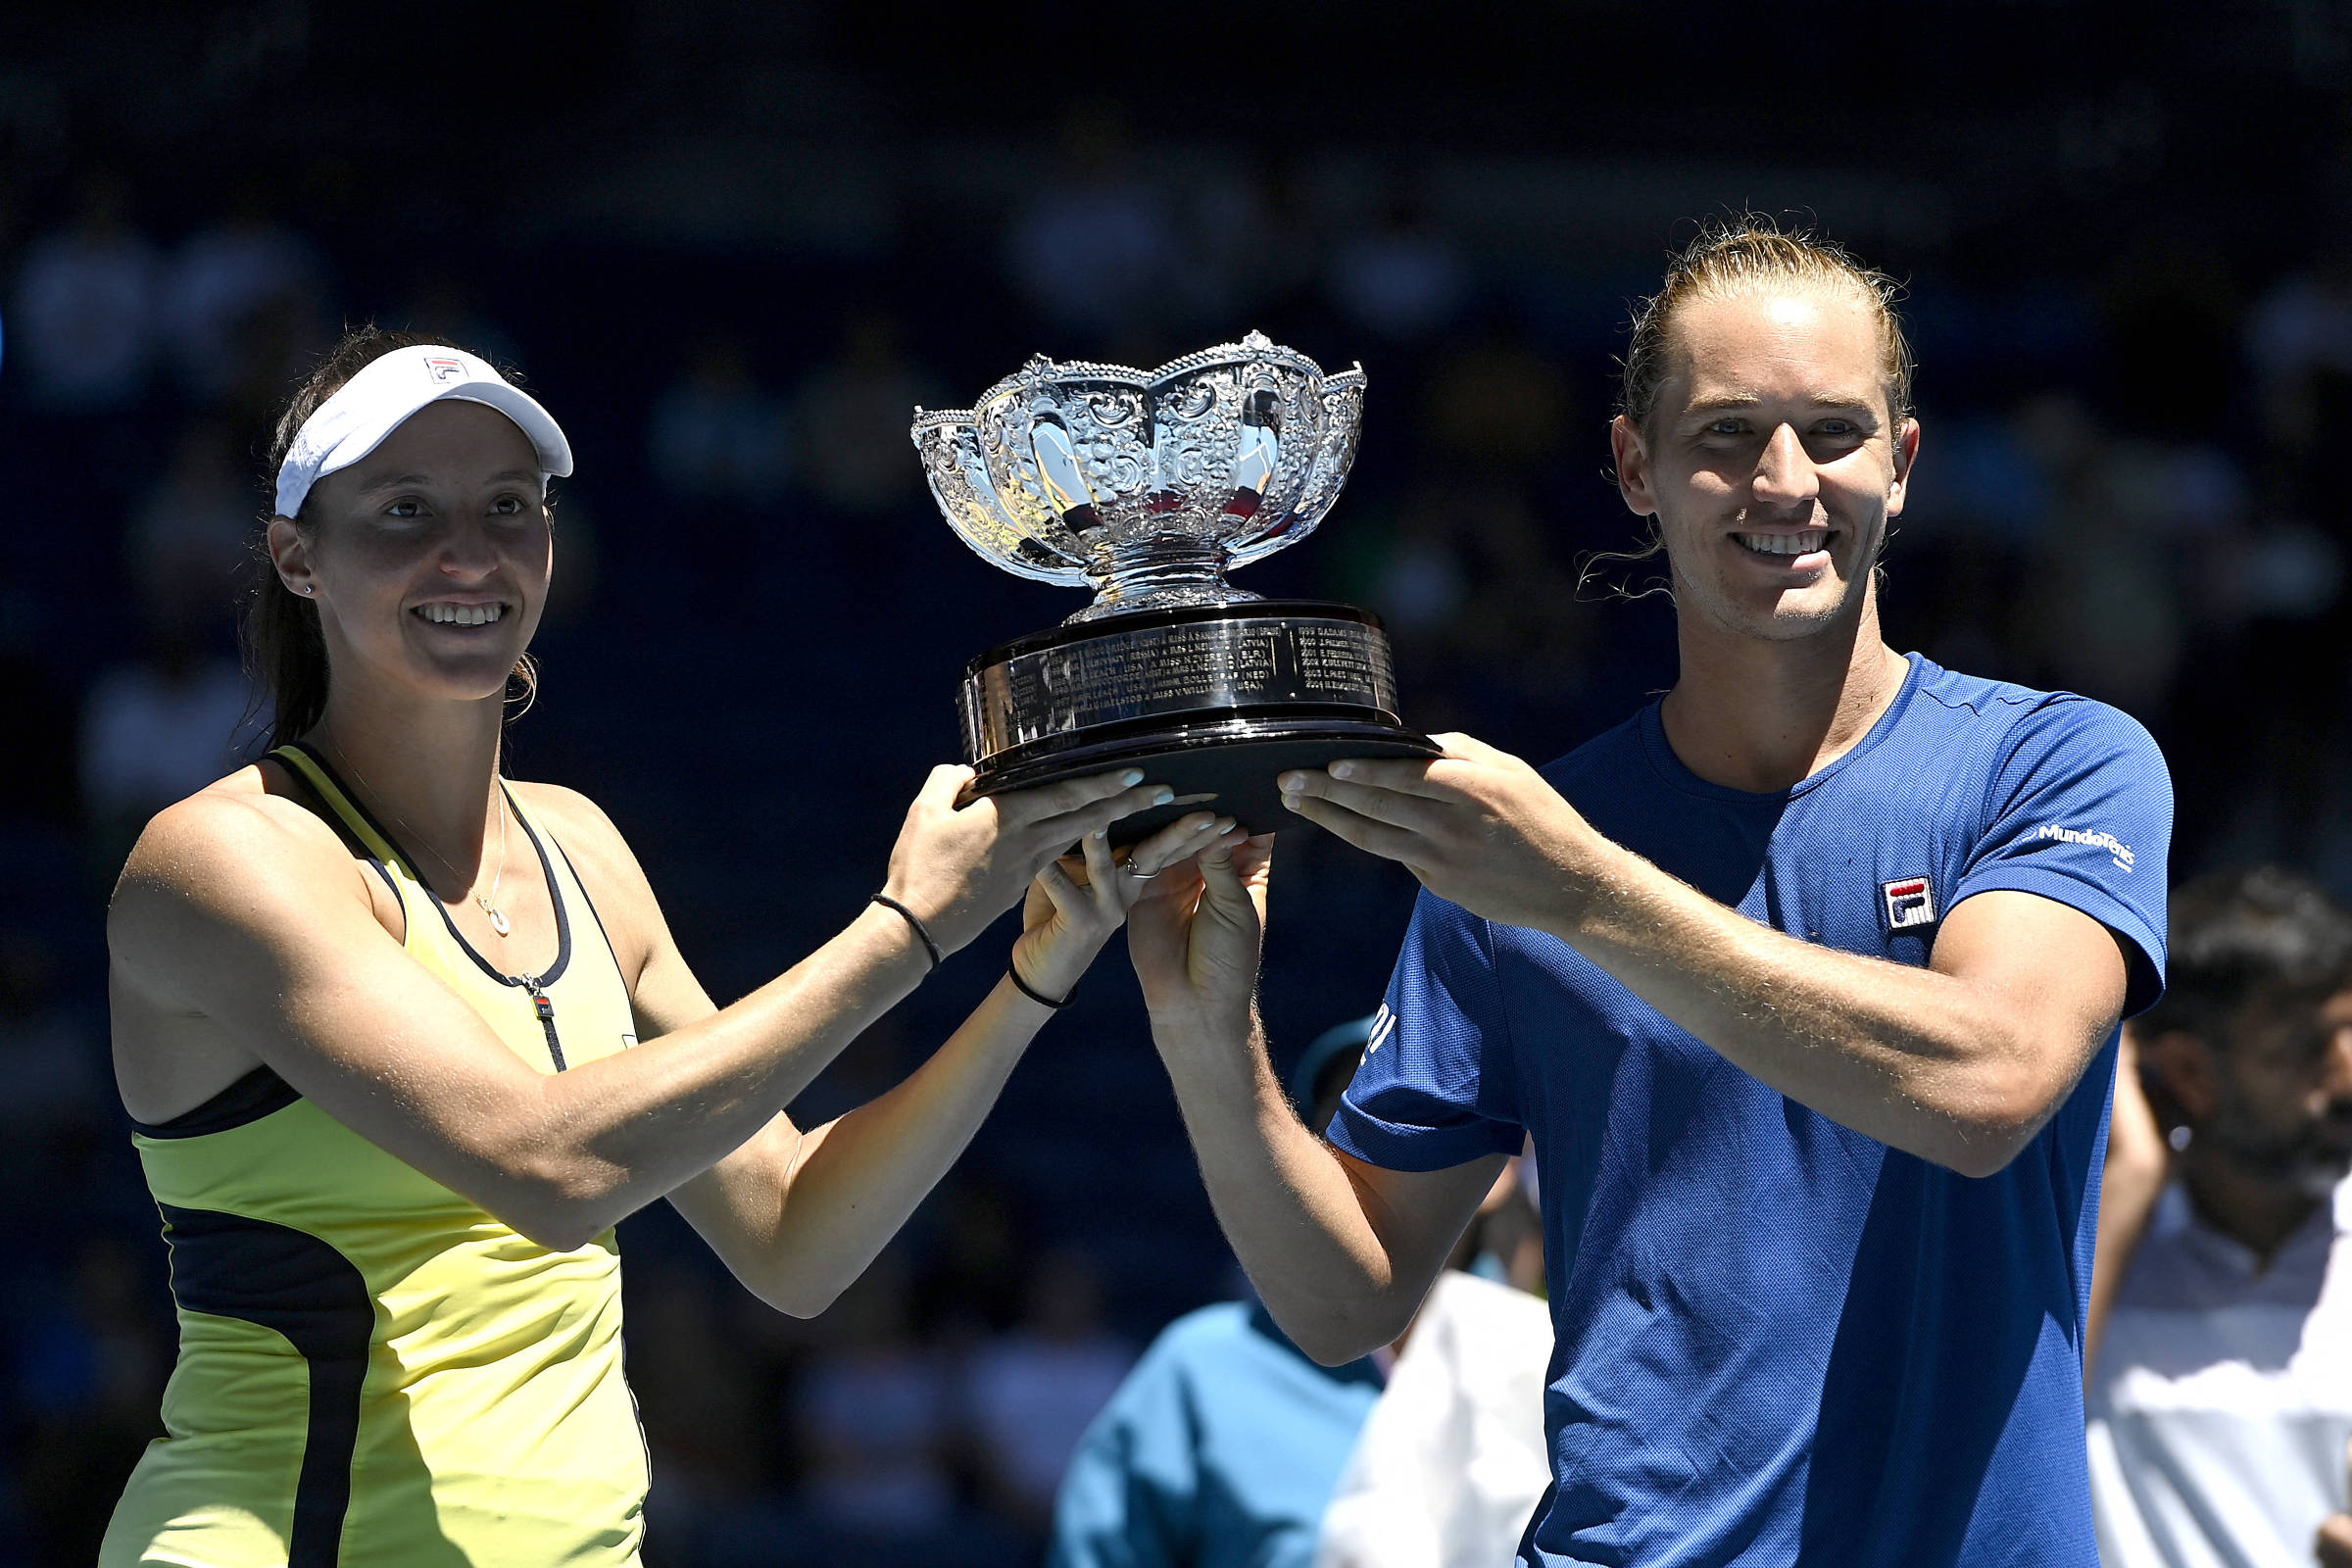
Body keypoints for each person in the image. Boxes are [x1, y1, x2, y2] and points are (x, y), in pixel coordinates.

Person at [98, 326, 1245, 1566]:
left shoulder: (583, 847)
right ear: (297, 558)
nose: (467, 552)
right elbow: (546, 1169)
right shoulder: (226, 857)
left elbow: (794, 1238)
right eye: (403, 509)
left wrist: (1031, 969)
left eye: (507, 505)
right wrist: (909, 929)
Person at [1124, 220, 2174, 1565]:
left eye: (1835, 432)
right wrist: (1203, 1034)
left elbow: (1989, 1084)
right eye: (1728, 433)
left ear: (1903, 467)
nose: (1785, 480)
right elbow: (1347, 1300)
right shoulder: (1523, 855)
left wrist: (1582, 894)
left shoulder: (2057, 761)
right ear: (1637, 466)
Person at [1050, 1017, 1549, 1568]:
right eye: (1350, 1118)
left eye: (1416, 1115)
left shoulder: (1558, 1358)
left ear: (1502, 1169)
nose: (1384, 1142)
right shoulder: (1198, 1367)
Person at [2084, 865, 2352, 1567]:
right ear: (2191, 1075)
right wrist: (2127, 1175)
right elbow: (2006, 1447)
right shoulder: (2100, 1258)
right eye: (2304, 1048)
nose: (2349, 1073)